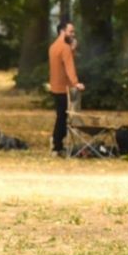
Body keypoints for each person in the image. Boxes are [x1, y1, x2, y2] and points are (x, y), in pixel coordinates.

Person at [48, 22, 84, 156]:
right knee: (63, 117)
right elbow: (69, 66)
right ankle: (57, 146)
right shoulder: (64, 47)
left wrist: (72, 49)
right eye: (71, 32)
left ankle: (57, 143)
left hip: (55, 86)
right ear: (62, 31)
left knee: (61, 116)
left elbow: (61, 65)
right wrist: (76, 83)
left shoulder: (53, 47)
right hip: (64, 88)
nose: (73, 35)